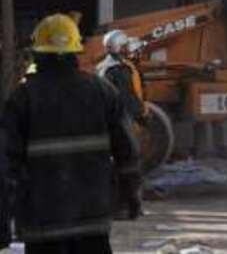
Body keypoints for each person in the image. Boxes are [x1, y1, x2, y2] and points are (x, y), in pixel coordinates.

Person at [2, 14, 141, 254]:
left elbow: (5, 168)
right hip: (92, 218)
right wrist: (131, 197)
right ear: (75, 51)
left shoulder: (22, 99)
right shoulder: (102, 91)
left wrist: (3, 224)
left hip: (42, 222)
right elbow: (127, 150)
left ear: (38, 53)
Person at [97, 29, 147, 124]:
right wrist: (141, 113)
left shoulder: (101, 66)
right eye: (125, 45)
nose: (128, 48)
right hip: (121, 119)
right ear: (118, 47)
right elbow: (127, 97)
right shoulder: (120, 70)